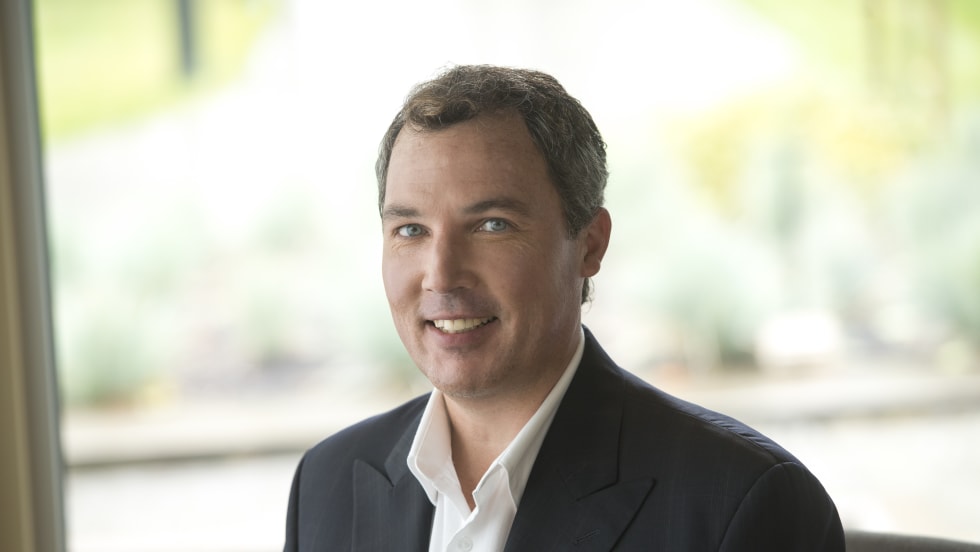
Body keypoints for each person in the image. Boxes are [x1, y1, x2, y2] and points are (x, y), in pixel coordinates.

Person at [283, 65, 844, 551]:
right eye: (410, 229)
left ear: (590, 245)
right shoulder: (326, 485)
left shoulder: (742, 503)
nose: (442, 274)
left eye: (492, 225)